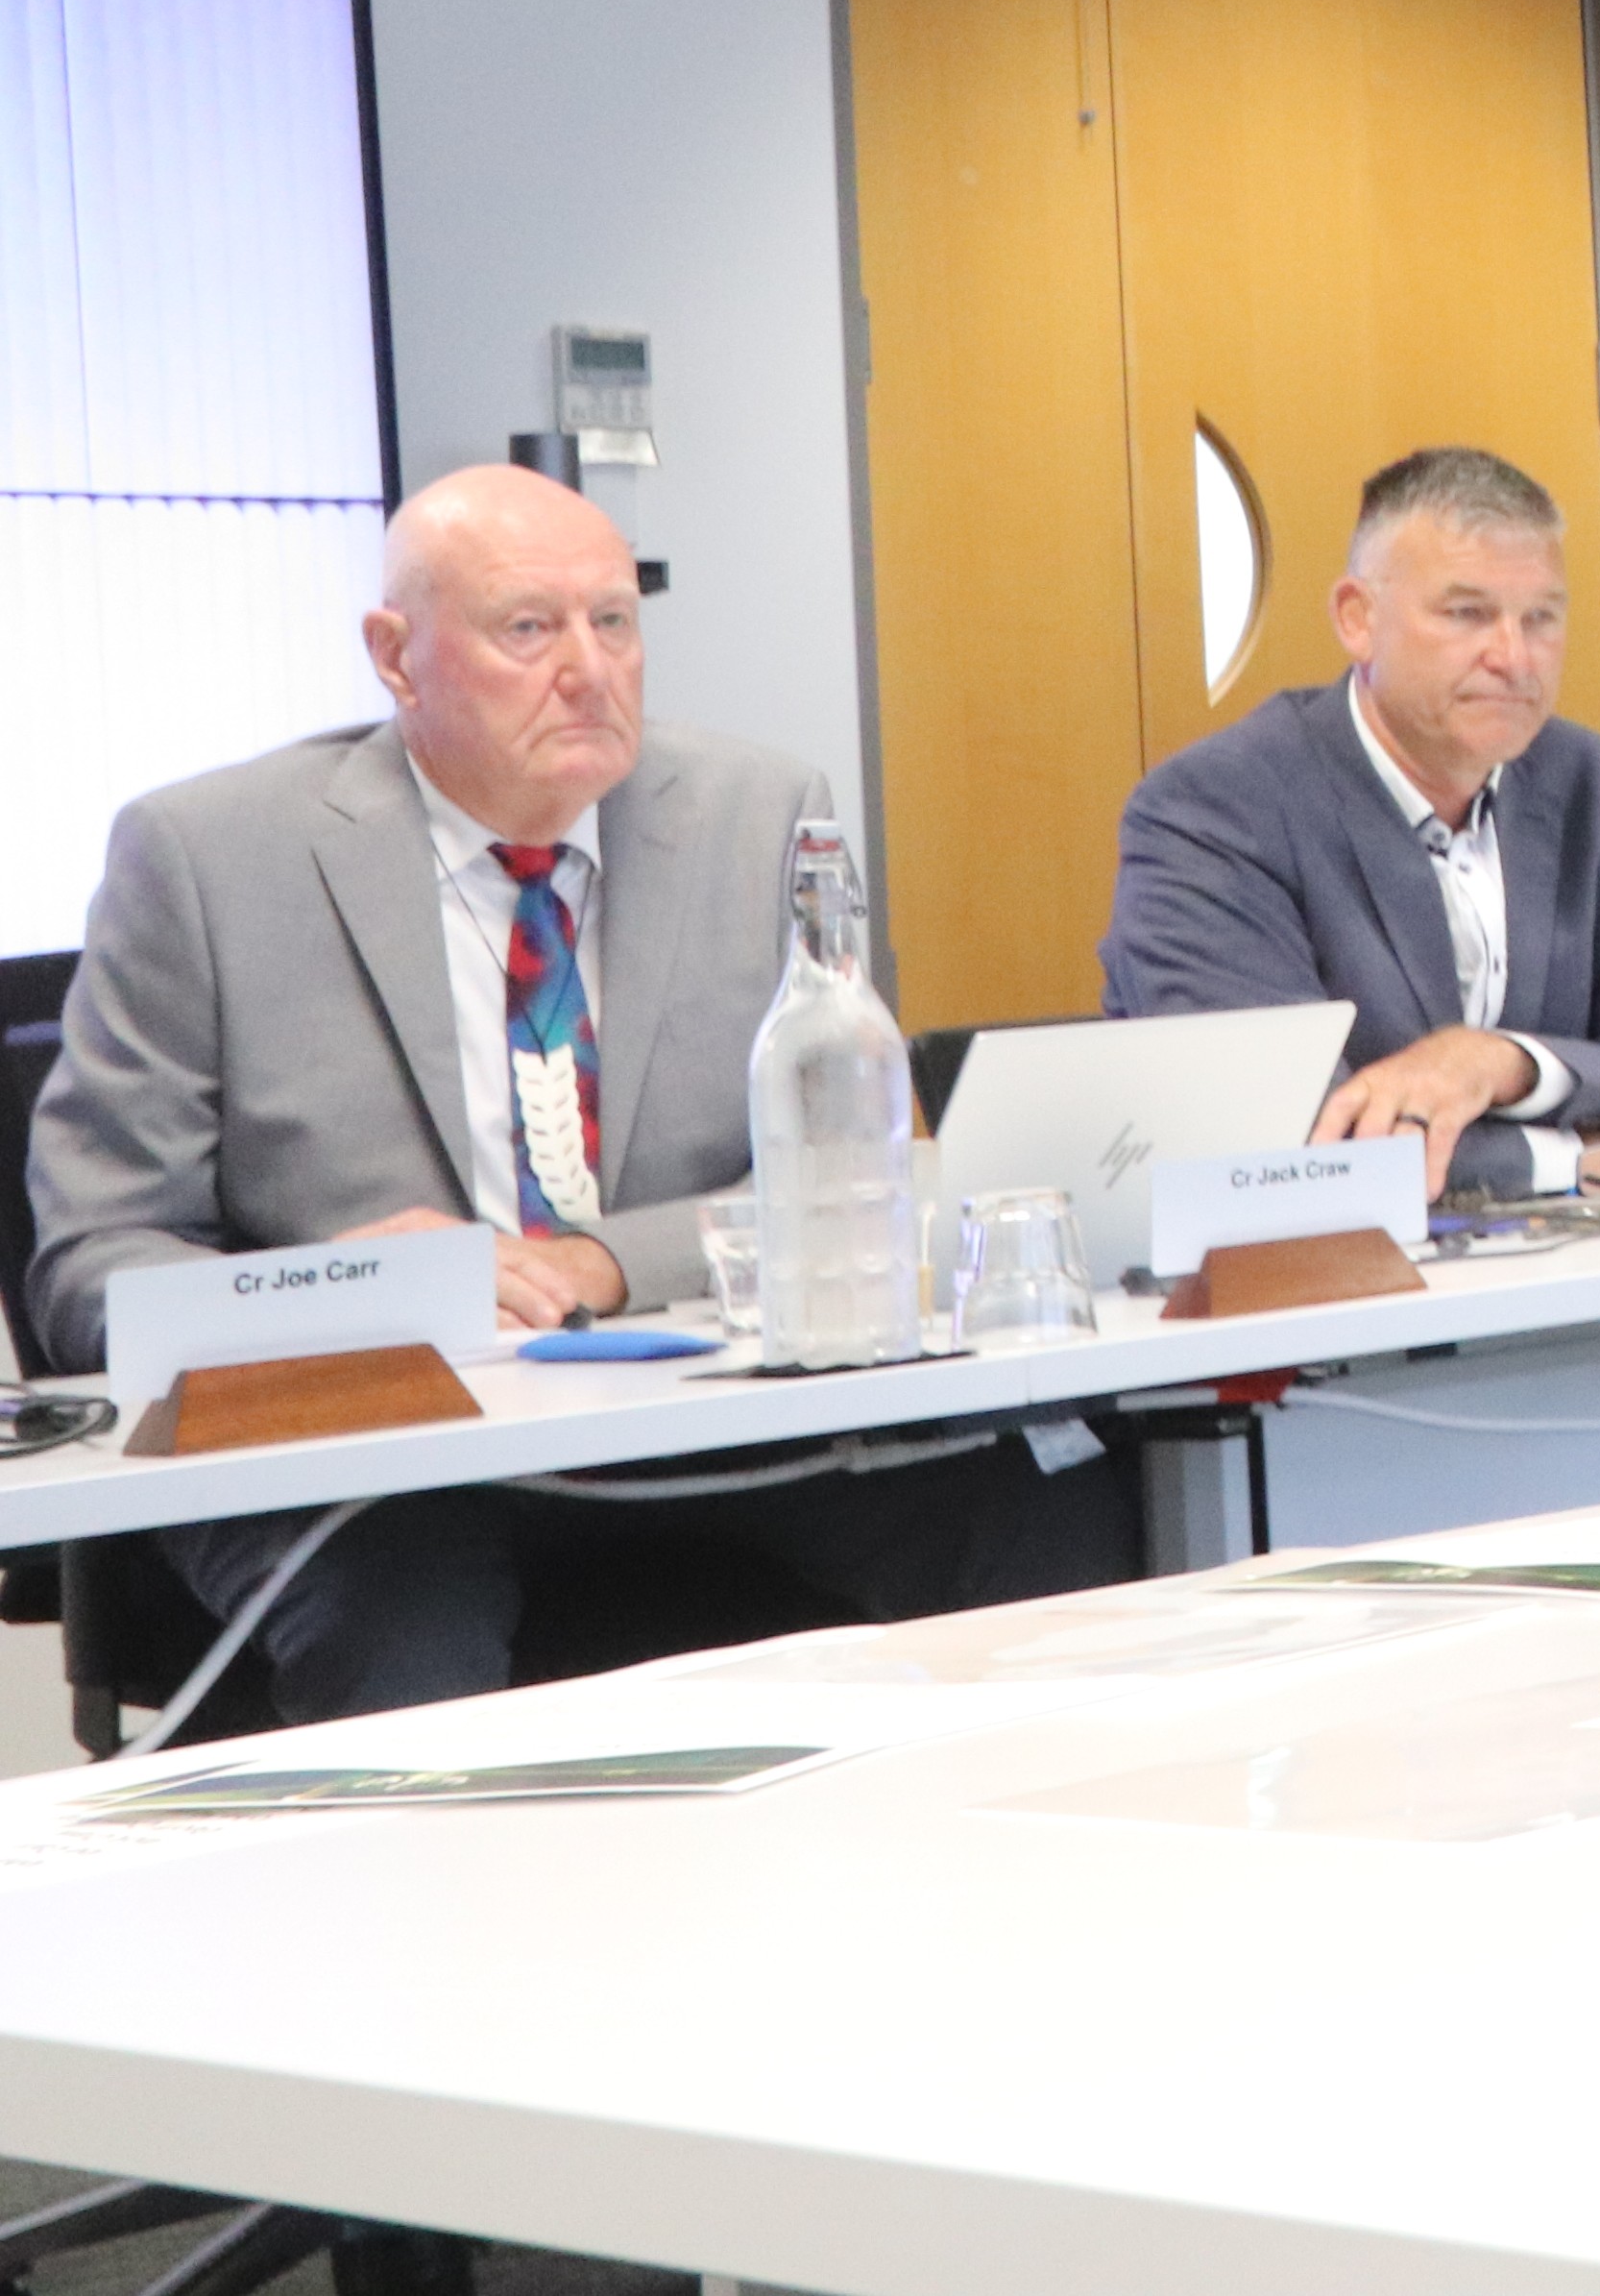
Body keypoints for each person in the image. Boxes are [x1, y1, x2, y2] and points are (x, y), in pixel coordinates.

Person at [27, 465, 1125, 1717]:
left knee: (1050, 1508)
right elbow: (88, 1266)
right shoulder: (208, 858)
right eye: (528, 628)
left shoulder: (759, 814)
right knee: (405, 1621)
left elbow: (848, 1173)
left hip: (702, 1417)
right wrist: (354, 1287)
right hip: (377, 1462)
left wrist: (606, 1257)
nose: (590, 669)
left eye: (615, 620)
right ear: (396, 654)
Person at [1102, 447, 1600, 1198]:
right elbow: (1291, 1142)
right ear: (1357, 619)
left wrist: (1502, 1063)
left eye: (1540, 618)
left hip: (1574, 1286)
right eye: (1467, 613)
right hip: (1319, 1292)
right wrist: (1579, 1161)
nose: (1513, 655)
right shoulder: (1212, 811)